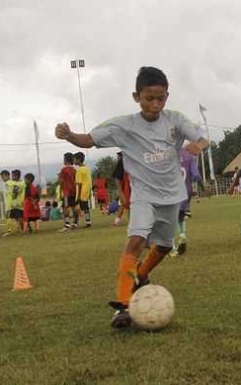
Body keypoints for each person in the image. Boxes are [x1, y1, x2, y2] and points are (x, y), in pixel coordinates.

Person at [54, 66, 209, 329]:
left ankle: (140, 276)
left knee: (161, 247)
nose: (155, 104)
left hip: (172, 196)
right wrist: (68, 135)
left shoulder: (174, 119)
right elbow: (89, 140)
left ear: (167, 97)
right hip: (143, 196)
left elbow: (203, 139)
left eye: (160, 98)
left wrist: (198, 146)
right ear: (136, 97)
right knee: (135, 241)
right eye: (149, 98)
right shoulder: (123, 125)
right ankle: (124, 305)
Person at [171, 147, 203, 256]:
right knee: (180, 215)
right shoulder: (189, 156)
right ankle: (182, 236)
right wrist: (203, 188)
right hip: (185, 192)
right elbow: (197, 176)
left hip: (171, 191)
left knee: (169, 220)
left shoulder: (165, 155)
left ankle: (172, 248)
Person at [58, 153, 77, 231]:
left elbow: (61, 181)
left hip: (67, 192)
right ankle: (75, 223)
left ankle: (67, 225)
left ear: (65, 160)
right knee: (74, 207)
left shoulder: (63, 170)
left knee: (65, 207)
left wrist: (60, 191)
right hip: (74, 191)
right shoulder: (75, 169)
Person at [112, 152, 131, 226]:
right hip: (126, 191)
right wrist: (120, 193)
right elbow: (117, 178)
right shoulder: (122, 162)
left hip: (134, 190)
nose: (118, 157)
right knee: (124, 205)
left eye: (119, 156)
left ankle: (117, 221)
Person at [74, 152, 92, 228]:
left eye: (74, 159)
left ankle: (75, 224)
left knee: (77, 208)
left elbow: (79, 184)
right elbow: (90, 181)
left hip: (81, 192)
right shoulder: (87, 169)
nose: (74, 161)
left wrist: (77, 196)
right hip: (87, 191)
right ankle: (88, 222)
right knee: (85, 207)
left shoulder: (79, 171)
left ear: (78, 160)